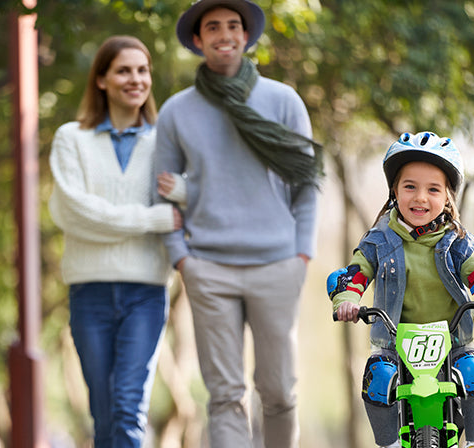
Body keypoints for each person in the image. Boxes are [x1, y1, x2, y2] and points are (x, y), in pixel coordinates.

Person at [152, 0, 321, 446]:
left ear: (246, 37)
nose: (224, 33)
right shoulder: (176, 112)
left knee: (280, 391)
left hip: (278, 264)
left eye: (233, 25)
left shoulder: (283, 101)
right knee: (225, 395)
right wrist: (182, 258)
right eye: (213, 27)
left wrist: (303, 253)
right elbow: (161, 191)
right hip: (208, 268)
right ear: (197, 39)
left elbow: (307, 184)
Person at [329, 132, 474, 448]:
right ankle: (389, 443)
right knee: (378, 377)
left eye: (433, 190)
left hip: (451, 341)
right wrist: (347, 298)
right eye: (410, 186)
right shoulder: (379, 242)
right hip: (395, 340)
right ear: (394, 192)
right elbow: (355, 274)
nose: (420, 198)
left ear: (447, 198)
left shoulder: (455, 243)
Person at [48, 35, 183, 448]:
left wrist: (182, 195)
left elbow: (199, 194)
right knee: (104, 411)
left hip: (146, 292)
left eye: (142, 70)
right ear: (102, 79)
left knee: (128, 406)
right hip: (89, 293)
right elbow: (73, 213)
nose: (135, 79)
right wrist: (156, 218)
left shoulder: (166, 141)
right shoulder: (72, 139)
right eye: (124, 70)